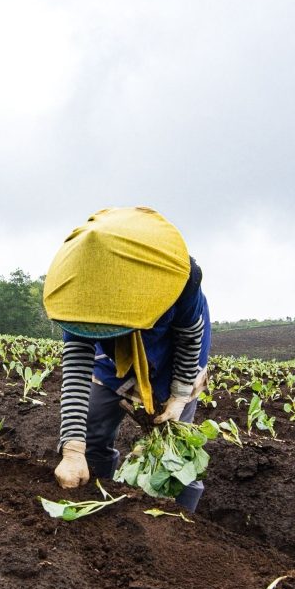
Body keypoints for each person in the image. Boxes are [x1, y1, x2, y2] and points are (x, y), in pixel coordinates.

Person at [42, 207, 211, 512]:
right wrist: (72, 449)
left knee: (174, 449)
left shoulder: (182, 280)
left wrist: (179, 397)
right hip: (112, 357)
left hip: (170, 355)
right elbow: (78, 367)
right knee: (93, 423)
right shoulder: (79, 295)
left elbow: (188, 340)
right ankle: (93, 494)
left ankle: (180, 524)